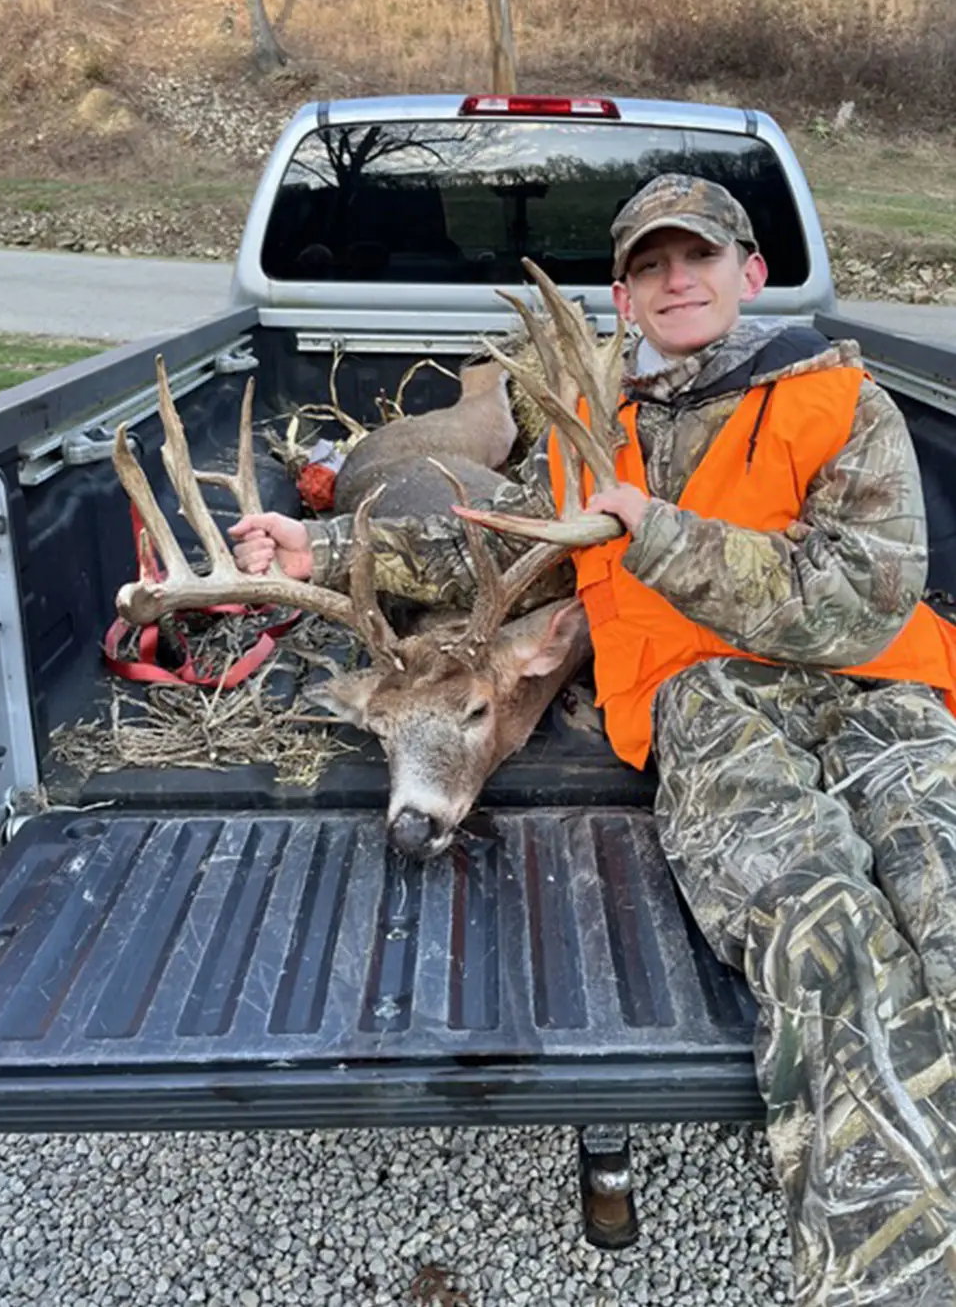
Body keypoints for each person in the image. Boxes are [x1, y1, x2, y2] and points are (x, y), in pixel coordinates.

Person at [233, 174, 956, 1305]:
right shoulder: (592, 424)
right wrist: (318, 553)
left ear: (748, 275)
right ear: (623, 297)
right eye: (651, 266)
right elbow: (493, 542)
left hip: (883, 691)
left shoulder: (837, 399)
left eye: (700, 259)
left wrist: (653, 531)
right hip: (705, 708)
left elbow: (866, 595)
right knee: (822, 931)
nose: (678, 280)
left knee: (945, 892)